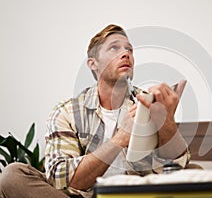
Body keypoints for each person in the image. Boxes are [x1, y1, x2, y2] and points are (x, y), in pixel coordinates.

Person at [0, 24, 190, 198]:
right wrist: (121, 138)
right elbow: (61, 180)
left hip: (136, 195)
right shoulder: (67, 111)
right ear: (93, 64)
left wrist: (167, 122)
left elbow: (177, 168)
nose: (126, 54)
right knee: (12, 176)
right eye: (114, 48)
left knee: (197, 171)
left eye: (129, 49)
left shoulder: (148, 103)